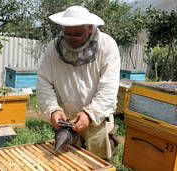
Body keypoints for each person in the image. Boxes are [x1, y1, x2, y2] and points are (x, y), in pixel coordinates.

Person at [36, 5, 120, 161]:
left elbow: (109, 87)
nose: (72, 38)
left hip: (98, 120)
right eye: (68, 34)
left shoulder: (107, 45)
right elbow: (43, 83)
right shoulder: (53, 48)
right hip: (66, 121)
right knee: (68, 162)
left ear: (90, 28)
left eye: (77, 34)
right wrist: (53, 110)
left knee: (99, 163)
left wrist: (90, 114)